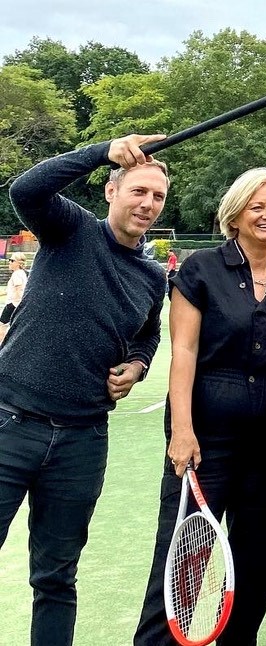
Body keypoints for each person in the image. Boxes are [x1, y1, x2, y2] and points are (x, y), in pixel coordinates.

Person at [0, 133, 168, 645]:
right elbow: (25, 191)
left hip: (82, 440)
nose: (147, 204)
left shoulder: (152, 275)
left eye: (157, 196)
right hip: (12, 421)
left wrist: (138, 364)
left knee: (56, 578)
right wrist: (101, 151)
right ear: (111, 192)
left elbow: (148, 332)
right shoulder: (71, 229)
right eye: (138, 191)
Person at [134, 168, 266, 645]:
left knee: (255, 566)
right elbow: (184, 352)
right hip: (205, 442)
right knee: (181, 568)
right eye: (258, 206)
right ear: (236, 214)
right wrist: (182, 431)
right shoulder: (200, 270)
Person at [0, 252, 28, 343]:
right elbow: (10, 290)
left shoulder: (17, 274)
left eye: (12, 260)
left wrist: (14, 304)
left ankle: (2, 346)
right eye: (9, 260)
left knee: (2, 325)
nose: (9, 262)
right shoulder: (21, 273)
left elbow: (19, 289)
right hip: (15, 304)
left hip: (12, 304)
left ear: (18, 263)